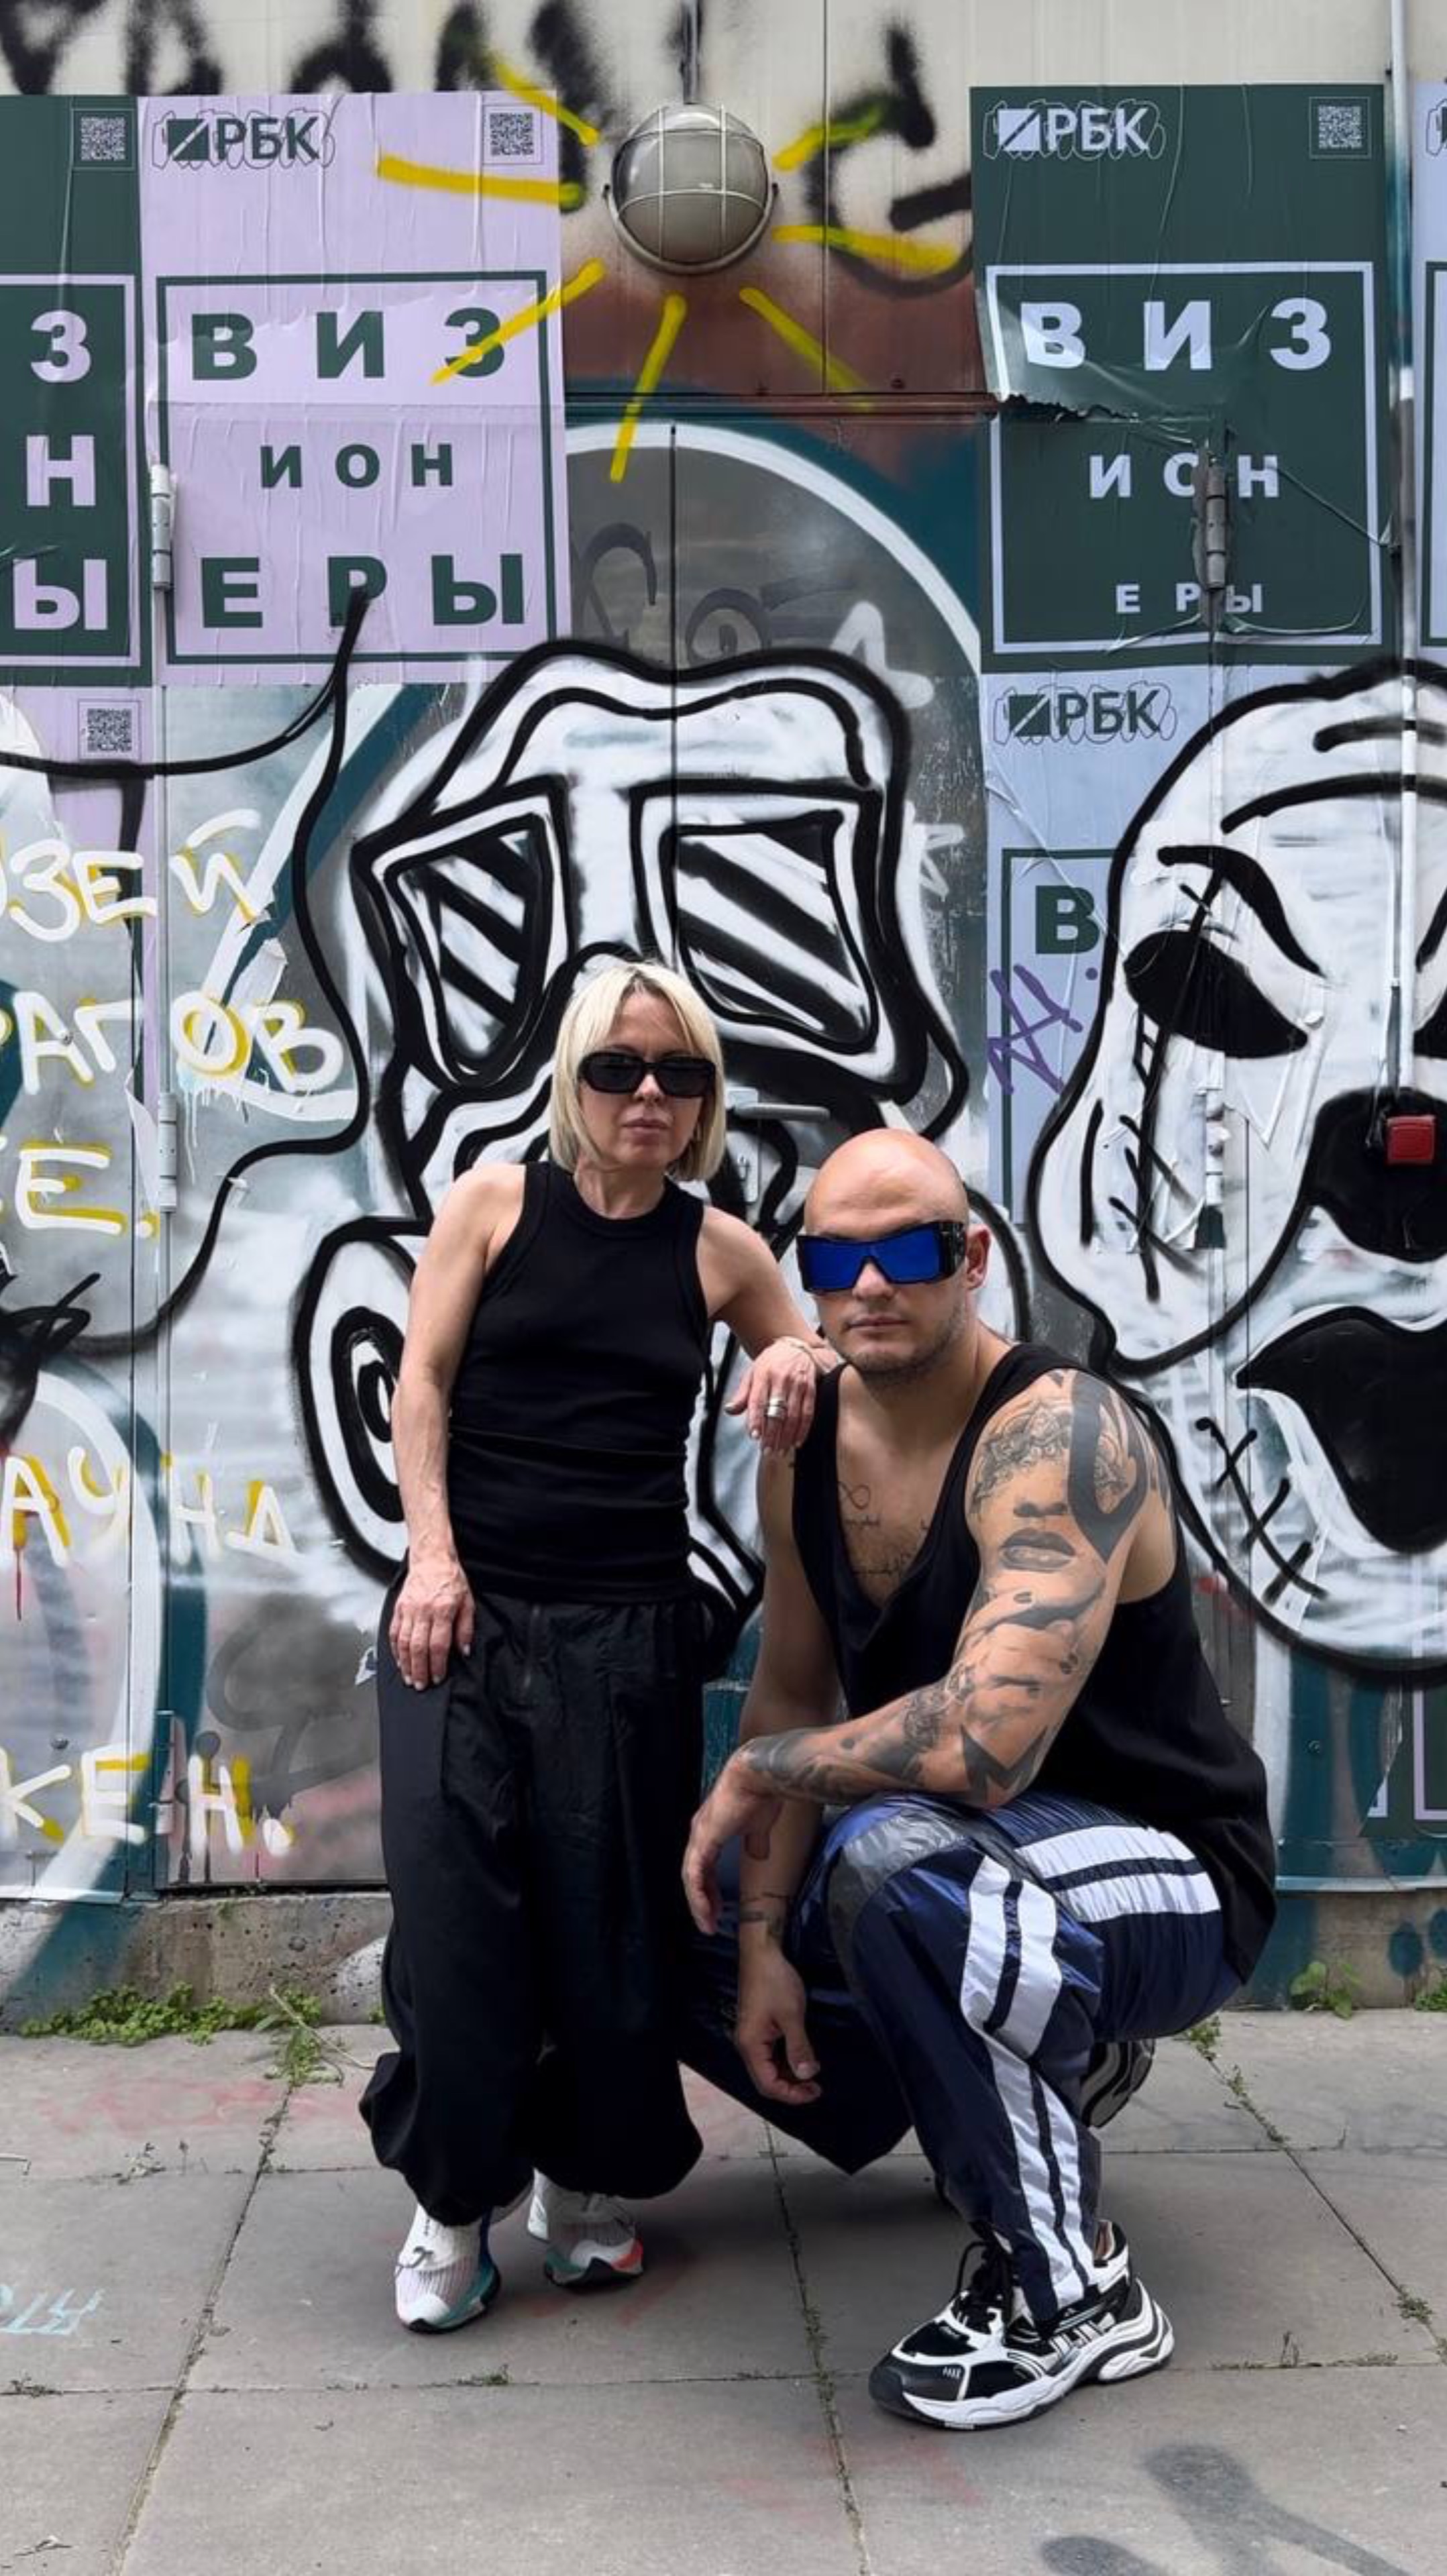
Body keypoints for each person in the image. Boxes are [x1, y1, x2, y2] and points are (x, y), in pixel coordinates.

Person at [682, 1127, 1276, 2431]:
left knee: (895, 1857)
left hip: (1167, 1865)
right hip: (982, 1857)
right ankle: (1035, 2069)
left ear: (971, 1260)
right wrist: (762, 1943)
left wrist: (765, 1773)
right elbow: (793, 1691)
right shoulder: (803, 1443)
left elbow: (981, 1748)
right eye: (835, 1259)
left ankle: (1073, 2290)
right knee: (677, 1897)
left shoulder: (1057, 1432)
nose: (868, 1285)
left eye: (909, 1251)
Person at [362, 959, 834, 2332]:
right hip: (461, 1613)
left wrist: (798, 1359)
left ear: (705, 1096)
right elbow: (422, 1380)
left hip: (628, 1629)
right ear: (572, 1078)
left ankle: (581, 2183)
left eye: (678, 1074)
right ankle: (455, 2200)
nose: (647, 1096)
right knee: (456, 1926)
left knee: (615, 1928)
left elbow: (817, 1359)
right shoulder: (494, 1204)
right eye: (618, 1068)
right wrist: (431, 1557)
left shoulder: (719, 1249)